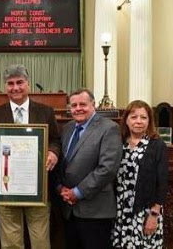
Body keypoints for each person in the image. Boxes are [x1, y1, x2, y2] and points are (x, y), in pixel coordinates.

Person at [0, 64, 60, 249]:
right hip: (6, 189)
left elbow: (55, 140)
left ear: (28, 84)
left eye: (19, 82)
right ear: (5, 86)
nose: (15, 87)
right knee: (10, 243)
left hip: (37, 188)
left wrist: (53, 152)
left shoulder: (45, 111)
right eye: (10, 83)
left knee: (40, 241)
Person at [55, 88, 122, 249]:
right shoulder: (67, 128)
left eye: (83, 104)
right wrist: (60, 188)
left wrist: (77, 192)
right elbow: (61, 164)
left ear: (93, 104)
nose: (78, 108)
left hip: (95, 210)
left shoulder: (109, 128)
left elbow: (107, 168)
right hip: (68, 209)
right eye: (74, 105)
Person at [112, 100, 168, 248]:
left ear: (149, 121)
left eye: (143, 117)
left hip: (145, 212)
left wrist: (154, 215)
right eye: (134, 117)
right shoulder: (119, 143)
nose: (139, 121)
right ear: (126, 120)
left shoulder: (157, 145)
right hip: (121, 212)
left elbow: (162, 184)